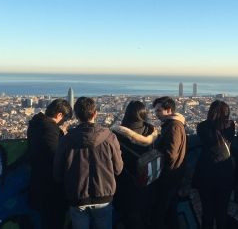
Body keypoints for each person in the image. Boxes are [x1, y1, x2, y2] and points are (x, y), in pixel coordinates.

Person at [53, 97, 123, 229]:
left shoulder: (66, 140)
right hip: (104, 195)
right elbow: (118, 168)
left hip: (77, 196)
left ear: (76, 116)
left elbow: (57, 172)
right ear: (95, 113)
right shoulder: (110, 137)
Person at [112, 100, 159, 229]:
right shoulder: (151, 133)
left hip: (127, 186)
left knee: (129, 218)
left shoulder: (117, 135)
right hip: (149, 183)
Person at [27, 98, 72, 229]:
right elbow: (55, 156)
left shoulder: (35, 125)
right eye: (65, 119)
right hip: (51, 189)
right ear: (59, 115)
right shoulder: (50, 130)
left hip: (37, 184)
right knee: (55, 221)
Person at [192, 100, 235, 229]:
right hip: (226, 173)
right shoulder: (231, 125)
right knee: (222, 212)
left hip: (206, 172)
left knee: (207, 212)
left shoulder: (202, 126)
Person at [151, 96, 187, 229]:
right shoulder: (173, 125)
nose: (156, 114)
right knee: (169, 210)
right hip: (173, 175)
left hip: (169, 176)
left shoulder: (174, 127)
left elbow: (171, 153)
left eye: (159, 111)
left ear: (169, 110)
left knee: (163, 211)